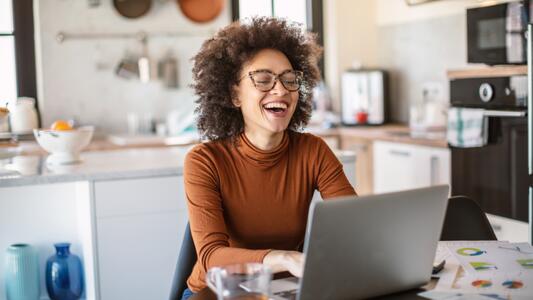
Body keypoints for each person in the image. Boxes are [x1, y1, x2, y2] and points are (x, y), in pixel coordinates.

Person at [182, 17, 357, 299]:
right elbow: (212, 257)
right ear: (233, 94)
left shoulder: (313, 150)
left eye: (290, 80)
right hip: (218, 292)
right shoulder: (205, 161)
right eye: (263, 79)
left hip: (285, 290)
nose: (281, 90)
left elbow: (354, 222)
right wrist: (283, 259)